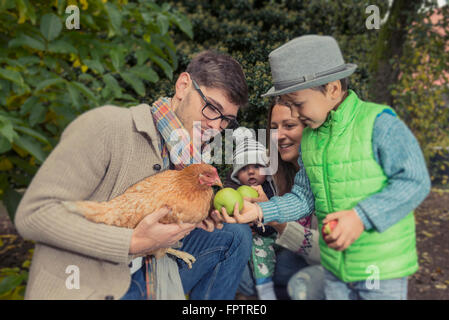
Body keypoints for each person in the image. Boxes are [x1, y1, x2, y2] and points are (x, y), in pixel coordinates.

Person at [14, 50, 253, 300]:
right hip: (95, 282)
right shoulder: (107, 127)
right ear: (183, 86)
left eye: (226, 120)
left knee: (234, 236)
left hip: (153, 271)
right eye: (211, 108)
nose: (216, 126)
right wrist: (131, 243)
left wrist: (201, 215)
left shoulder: (191, 156)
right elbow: (34, 214)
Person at [215, 35, 431, 300]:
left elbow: (414, 180)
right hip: (334, 266)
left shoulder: (378, 123)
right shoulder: (312, 138)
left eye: (297, 103)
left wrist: (360, 216)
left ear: (331, 89)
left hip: (380, 267)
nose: (293, 112)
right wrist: (260, 210)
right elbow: (304, 197)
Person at [228, 101, 323, 300]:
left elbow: (325, 254)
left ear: (309, 127)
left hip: (313, 265)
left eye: (289, 125)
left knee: (286, 269)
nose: (278, 135)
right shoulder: (271, 174)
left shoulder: (323, 176)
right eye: (273, 128)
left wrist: (269, 215)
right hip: (272, 261)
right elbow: (237, 174)